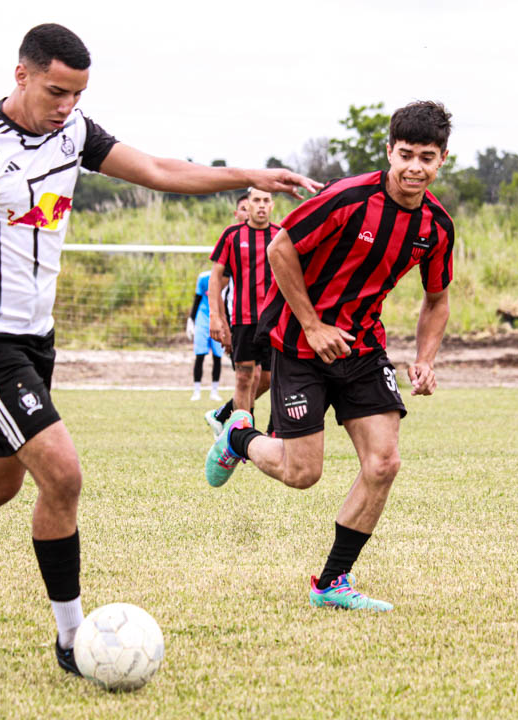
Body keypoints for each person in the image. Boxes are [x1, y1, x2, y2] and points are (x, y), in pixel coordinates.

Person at [0, 23, 318, 673]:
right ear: (22, 74)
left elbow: (160, 170)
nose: (67, 107)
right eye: (56, 92)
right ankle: (72, 641)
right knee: (63, 474)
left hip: (35, 340)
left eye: (78, 95)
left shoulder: (75, 134)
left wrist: (249, 175)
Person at [203, 101, 455, 611]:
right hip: (300, 344)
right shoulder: (347, 198)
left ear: (442, 159)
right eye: (406, 154)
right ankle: (238, 436)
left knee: (384, 463)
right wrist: (313, 325)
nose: (415, 167)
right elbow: (280, 249)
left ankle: (332, 582)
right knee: (303, 474)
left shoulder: (436, 226)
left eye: (426, 158)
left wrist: (426, 358)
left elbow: (437, 298)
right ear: (390, 151)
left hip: (363, 347)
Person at [207, 188, 279, 431]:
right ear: (247, 205)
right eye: (256, 200)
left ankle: (227, 416)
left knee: (268, 379)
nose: (261, 205)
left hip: (274, 321)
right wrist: (215, 317)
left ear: (272, 205)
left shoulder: (280, 235)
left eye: (266, 200)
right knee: (244, 377)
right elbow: (215, 279)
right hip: (243, 319)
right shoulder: (232, 235)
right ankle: (241, 434)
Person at [187, 268, 225, 401]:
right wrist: (191, 320)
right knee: (200, 355)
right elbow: (197, 299)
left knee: (217, 356)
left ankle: (214, 391)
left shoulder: (226, 278)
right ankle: (196, 391)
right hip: (203, 319)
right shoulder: (203, 278)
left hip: (219, 319)